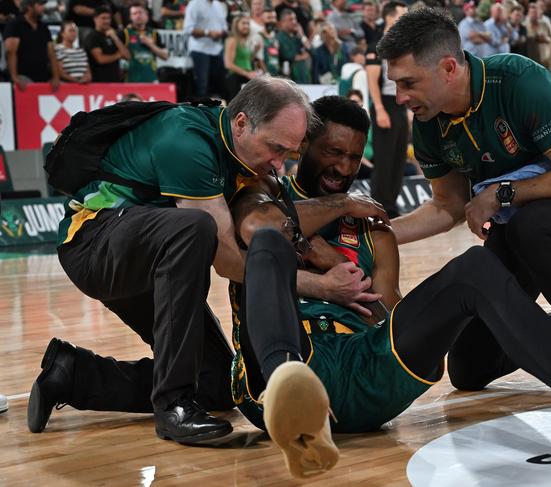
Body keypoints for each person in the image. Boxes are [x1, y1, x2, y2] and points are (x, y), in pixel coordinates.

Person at [228, 95, 551, 480]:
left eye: (355, 157)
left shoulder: (373, 227)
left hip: (363, 366)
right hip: (287, 362)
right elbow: (257, 229)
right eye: (333, 152)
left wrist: (344, 269)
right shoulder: (263, 193)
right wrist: (324, 279)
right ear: (304, 147)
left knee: (475, 267)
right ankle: (292, 395)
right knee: (267, 243)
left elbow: (390, 317)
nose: (344, 167)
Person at [26, 77, 359, 447]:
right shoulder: (187, 142)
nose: (280, 165)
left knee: (216, 385)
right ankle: (173, 406)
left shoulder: (236, 147)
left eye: (289, 154)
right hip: (93, 243)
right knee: (195, 228)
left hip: (146, 256)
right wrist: (324, 288)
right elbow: (228, 262)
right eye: (275, 148)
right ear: (242, 122)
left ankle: (73, 374)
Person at [376, 8, 551, 399]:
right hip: (517, 228)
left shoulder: (519, 80)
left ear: (448, 68)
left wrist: (500, 194)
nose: (400, 97)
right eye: (395, 84)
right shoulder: (428, 123)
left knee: (532, 228)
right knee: (468, 367)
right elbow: (448, 206)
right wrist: (377, 235)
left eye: (409, 82)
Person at [366, 0, 407, 219]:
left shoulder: (401, 46)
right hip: (384, 102)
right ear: (390, 17)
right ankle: (377, 206)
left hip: (400, 103)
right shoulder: (376, 45)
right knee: (384, 158)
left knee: (398, 157)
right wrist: (380, 109)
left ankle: (390, 204)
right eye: (403, 14)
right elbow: (372, 81)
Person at [4, 0, 60, 91]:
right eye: (40, 4)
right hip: (23, 75)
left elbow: (51, 54)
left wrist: (56, 77)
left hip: (44, 76)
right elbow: (11, 52)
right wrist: (14, 77)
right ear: (29, 7)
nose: (43, 8)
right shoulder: (15, 24)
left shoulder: (43, 27)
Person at [183, 0, 228, 98]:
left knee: (220, 85)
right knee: (202, 85)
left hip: (216, 49)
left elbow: (224, 27)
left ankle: (217, 110)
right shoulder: (194, 4)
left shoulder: (219, 5)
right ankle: (201, 111)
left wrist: (222, 33)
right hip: (199, 49)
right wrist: (208, 33)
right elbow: (188, 29)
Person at [121, 3, 168, 82]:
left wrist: (150, 45)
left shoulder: (154, 33)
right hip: (131, 79)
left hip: (151, 78)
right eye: (134, 13)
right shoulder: (124, 33)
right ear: (130, 17)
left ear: (146, 15)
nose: (138, 16)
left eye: (140, 12)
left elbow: (165, 56)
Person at [84, 5, 130, 82]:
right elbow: (100, 59)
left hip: (116, 81)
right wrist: (117, 55)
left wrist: (115, 38)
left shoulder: (113, 35)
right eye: (103, 18)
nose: (107, 21)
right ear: (95, 19)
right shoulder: (92, 36)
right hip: (99, 82)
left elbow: (127, 56)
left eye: (108, 18)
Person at [223, 15, 257, 102]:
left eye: (248, 24)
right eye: (243, 23)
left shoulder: (246, 41)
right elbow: (228, 64)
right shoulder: (232, 40)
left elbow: (246, 61)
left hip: (246, 78)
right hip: (235, 78)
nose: (246, 26)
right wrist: (246, 73)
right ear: (236, 25)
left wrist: (256, 50)